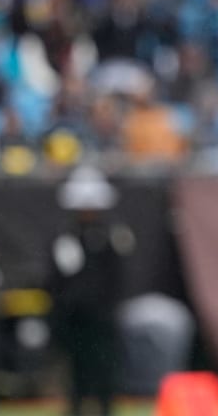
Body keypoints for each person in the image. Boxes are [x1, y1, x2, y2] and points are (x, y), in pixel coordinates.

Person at [48, 165, 135, 416]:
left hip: (103, 316)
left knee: (106, 370)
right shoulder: (65, 235)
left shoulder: (112, 234)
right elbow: (57, 278)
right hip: (74, 318)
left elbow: (119, 275)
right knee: (77, 372)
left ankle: (106, 409)